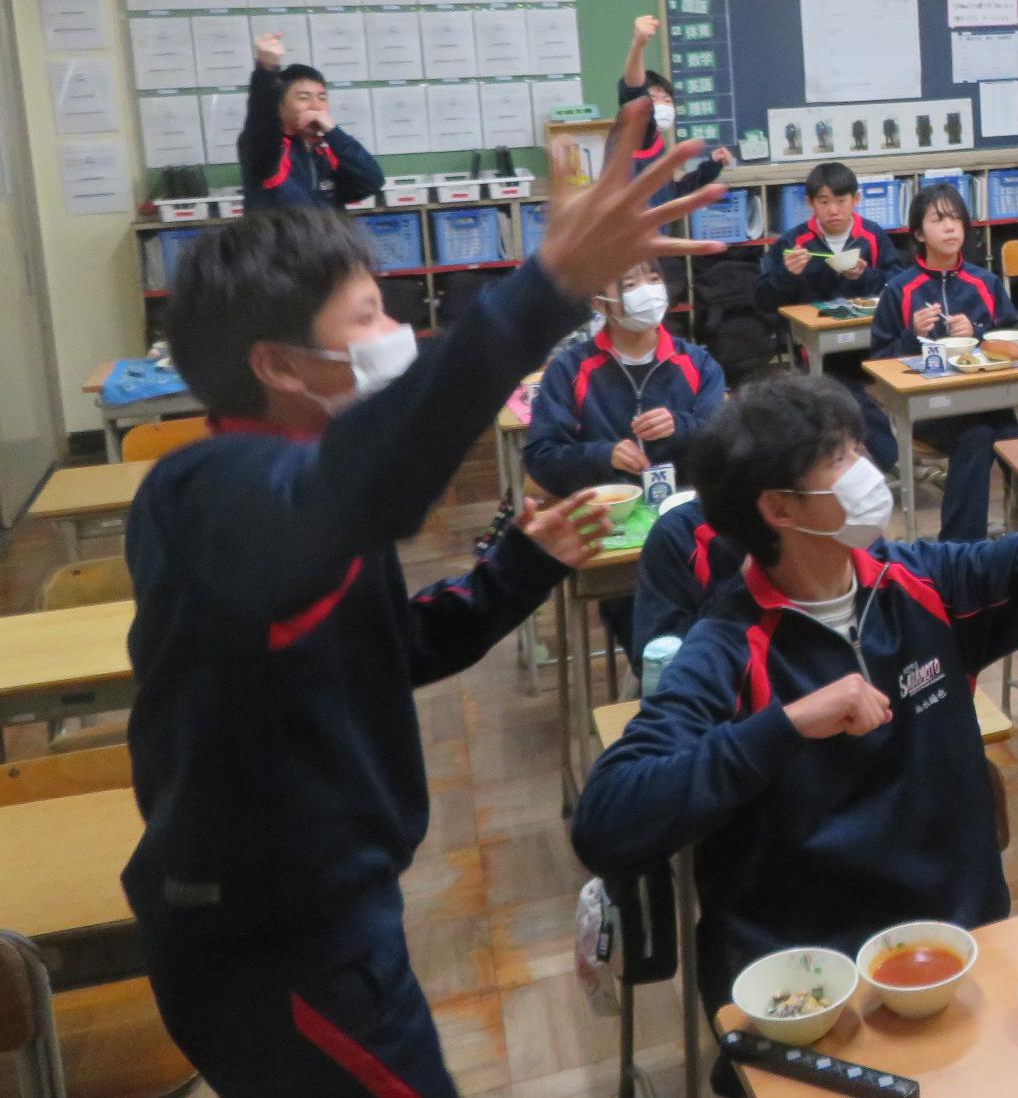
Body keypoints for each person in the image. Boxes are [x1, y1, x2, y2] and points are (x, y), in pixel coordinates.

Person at [121, 101, 723, 1096]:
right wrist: (545, 287)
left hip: (326, 918)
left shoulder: (296, 495)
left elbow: (391, 648)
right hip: (274, 947)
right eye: (366, 317)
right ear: (276, 364)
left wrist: (519, 565)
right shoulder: (210, 491)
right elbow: (375, 482)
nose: (396, 334)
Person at [568, 352, 1018, 1037]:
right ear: (779, 507)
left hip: (960, 942)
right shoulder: (725, 648)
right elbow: (607, 817)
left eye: (858, 447)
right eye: (840, 458)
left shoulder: (920, 582)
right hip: (816, 982)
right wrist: (784, 725)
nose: (866, 470)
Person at [523, 260, 726, 663]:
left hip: (692, 523)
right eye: (629, 283)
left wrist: (682, 427)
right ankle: (667, 677)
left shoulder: (697, 363)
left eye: (653, 278)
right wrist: (603, 455)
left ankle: (699, 677)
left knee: (719, 614)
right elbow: (542, 458)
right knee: (652, 632)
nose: (647, 290)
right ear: (599, 302)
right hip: (614, 530)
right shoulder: (570, 369)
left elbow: (726, 442)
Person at [870, 182, 1018, 541]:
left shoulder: (985, 282)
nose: (950, 228)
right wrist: (912, 335)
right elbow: (879, 362)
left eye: (956, 219)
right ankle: (960, 547)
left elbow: (1012, 341)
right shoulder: (900, 289)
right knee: (976, 436)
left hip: (990, 403)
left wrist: (978, 332)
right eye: (939, 220)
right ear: (918, 233)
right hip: (932, 411)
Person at [754, 160, 903, 469]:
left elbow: (898, 286)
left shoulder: (872, 235)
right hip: (819, 350)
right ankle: (897, 459)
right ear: (810, 204)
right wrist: (785, 275)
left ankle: (891, 455)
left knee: (894, 376)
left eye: (841, 200)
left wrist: (864, 276)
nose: (833, 210)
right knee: (840, 391)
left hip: (873, 341)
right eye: (823, 202)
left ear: (856, 200)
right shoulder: (793, 242)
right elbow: (762, 299)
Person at [239, 33, 383, 213]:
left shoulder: (327, 148)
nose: (316, 106)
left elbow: (371, 182)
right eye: (303, 98)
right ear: (279, 106)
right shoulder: (266, 148)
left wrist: (333, 132)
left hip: (328, 232)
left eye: (322, 98)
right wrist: (266, 70)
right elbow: (261, 119)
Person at [618, 13, 734, 208]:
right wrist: (638, 45)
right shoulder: (635, 139)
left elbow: (673, 194)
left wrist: (712, 165)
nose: (662, 105)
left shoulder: (657, 145)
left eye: (667, 100)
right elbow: (633, 89)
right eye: (654, 99)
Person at [631, 496, 742, 665]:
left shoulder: (782, 525)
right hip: (710, 669)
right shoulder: (678, 532)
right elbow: (657, 658)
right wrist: (746, 580)